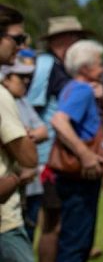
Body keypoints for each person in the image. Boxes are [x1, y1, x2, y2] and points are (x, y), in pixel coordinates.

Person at [25, 15, 91, 262]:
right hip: (44, 159)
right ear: (57, 41)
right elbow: (29, 109)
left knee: (55, 221)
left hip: (54, 159)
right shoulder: (46, 67)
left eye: (76, 38)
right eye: (72, 38)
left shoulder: (61, 68)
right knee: (50, 223)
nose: (73, 43)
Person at [48, 39, 103, 262]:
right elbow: (59, 120)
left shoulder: (72, 88)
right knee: (77, 242)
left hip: (72, 177)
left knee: (75, 238)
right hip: (79, 177)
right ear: (85, 67)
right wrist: (85, 154)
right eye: (99, 63)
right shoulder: (82, 90)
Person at [0, 4, 38, 262]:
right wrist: (17, 175)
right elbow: (29, 159)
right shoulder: (0, 95)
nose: (22, 45)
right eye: (17, 38)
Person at [0, 58, 48, 240]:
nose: (26, 81)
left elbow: (43, 131)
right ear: (6, 78)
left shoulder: (23, 102)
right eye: (21, 76)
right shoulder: (3, 98)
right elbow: (28, 158)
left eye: (29, 76)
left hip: (25, 186)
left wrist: (21, 138)